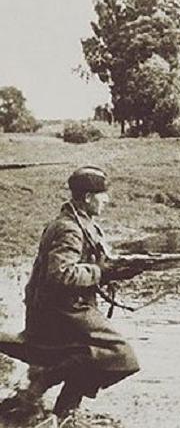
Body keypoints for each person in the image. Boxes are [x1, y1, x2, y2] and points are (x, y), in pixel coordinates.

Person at [0, 166, 146, 423]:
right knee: (121, 355)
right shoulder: (69, 228)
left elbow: (95, 264)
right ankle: (44, 378)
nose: (107, 200)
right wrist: (102, 272)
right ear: (88, 197)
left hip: (70, 307)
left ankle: (64, 413)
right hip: (59, 312)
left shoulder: (83, 223)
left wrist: (121, 270)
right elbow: (60, 274)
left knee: (96, 355)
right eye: (102, 194)